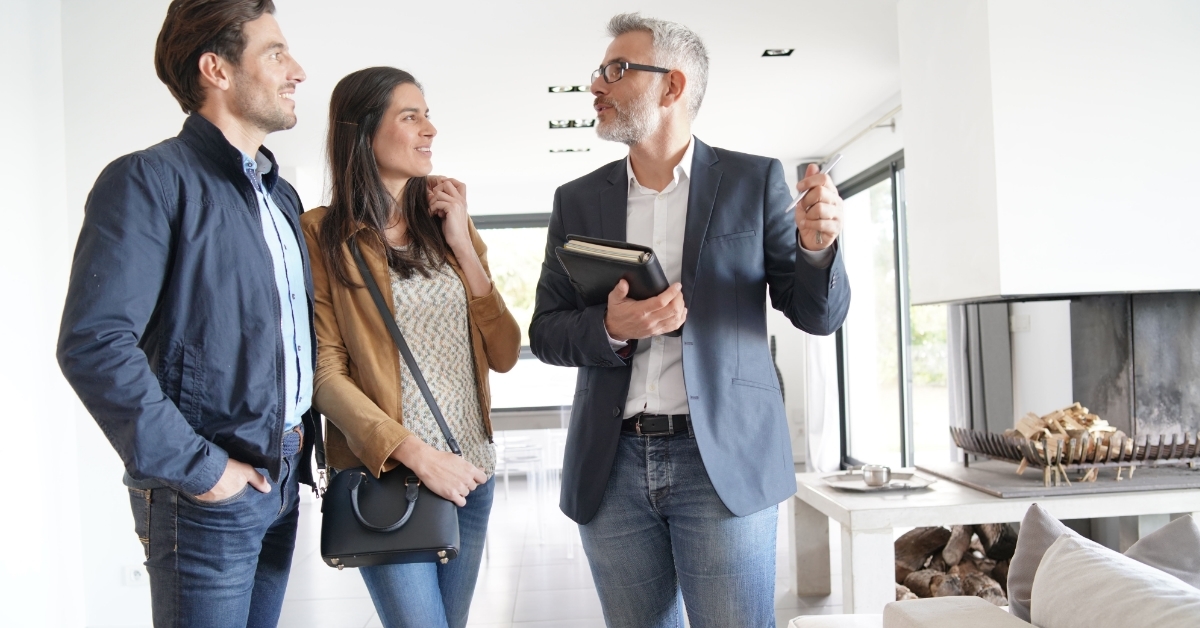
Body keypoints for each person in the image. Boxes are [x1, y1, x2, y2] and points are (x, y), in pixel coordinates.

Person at [529, 13, 851, 628]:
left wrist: (817, 251)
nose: (596, 85)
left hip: (723, 461)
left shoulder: (753, 182)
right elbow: (545, 329)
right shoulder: (577, 199)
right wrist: (613, 326)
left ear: (672, 86)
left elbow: (816, 315)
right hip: (612, 466)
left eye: (615, 70)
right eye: (599, 71)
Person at [56, 0, 312, 625]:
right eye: (275, 53)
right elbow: (94, 345)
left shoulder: (281, 196)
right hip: (205, 490)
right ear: (216, 70)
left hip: (279, 474)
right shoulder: (146, 180)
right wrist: (203, 470)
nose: (297, 70)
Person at [301, 66, 521, 628]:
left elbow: (504, 352)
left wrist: (463, 248)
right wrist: (419, 456)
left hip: (473, 474)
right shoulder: (321, 234)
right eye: (411, 116)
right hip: (394, 478)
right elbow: (324, 372)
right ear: (363, 132)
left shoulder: (448, 224)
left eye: (427, 114)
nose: (430, 129)